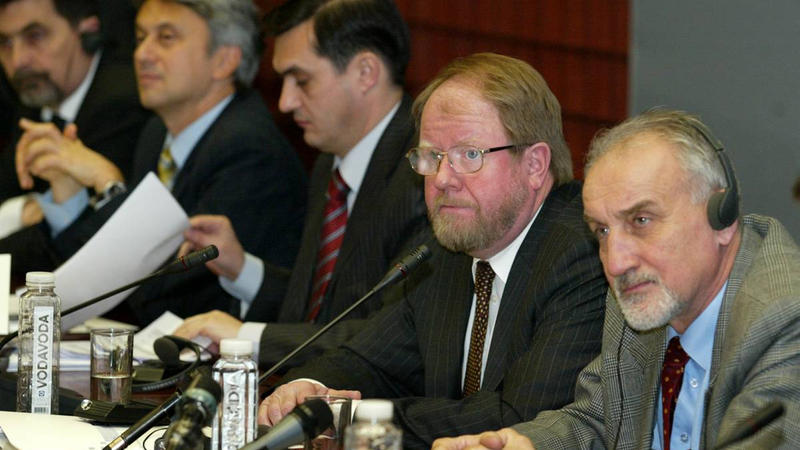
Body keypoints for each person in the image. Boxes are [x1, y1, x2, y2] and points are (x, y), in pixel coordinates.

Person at [257, 52, 608, 448]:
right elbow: (372, 361)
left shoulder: (582, 254)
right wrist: (309, 387)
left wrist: (349, 418)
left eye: (469, 155)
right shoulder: (446, 249)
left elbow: (518, 419)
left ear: (534, 165)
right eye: (431, 157)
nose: (442, 179)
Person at [432, 109, 800, 450]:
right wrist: (525, 445)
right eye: (602, 231)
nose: (617, 262)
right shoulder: (649, 295)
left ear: (722, 218)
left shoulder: (785, 321)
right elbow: (599, 420)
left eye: (641, 221)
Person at [1, 0, 307, 324]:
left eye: (166, 38)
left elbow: (159, 292)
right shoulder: (157, 132)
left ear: (224, 60)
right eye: (140, 37)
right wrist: (69, 196)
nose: (142, 54)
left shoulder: (248, 149)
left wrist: (109, 185)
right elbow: (103, 273)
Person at [175, 0, 426, 365]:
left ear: (365, 72)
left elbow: (392, 334)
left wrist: (247, 338)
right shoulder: (329, 163)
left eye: (302, 81)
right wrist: (242, 270)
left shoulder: (425, 176)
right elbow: (322, 315)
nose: (285, 102)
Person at [0, 0, 148, 237]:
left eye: (35, 36)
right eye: (5, 43)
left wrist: (21, 213)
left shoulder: (126, 104)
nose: (18, 61)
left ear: (88, 31)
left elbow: (79, 237)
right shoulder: (33, 99)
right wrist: (23, 212)